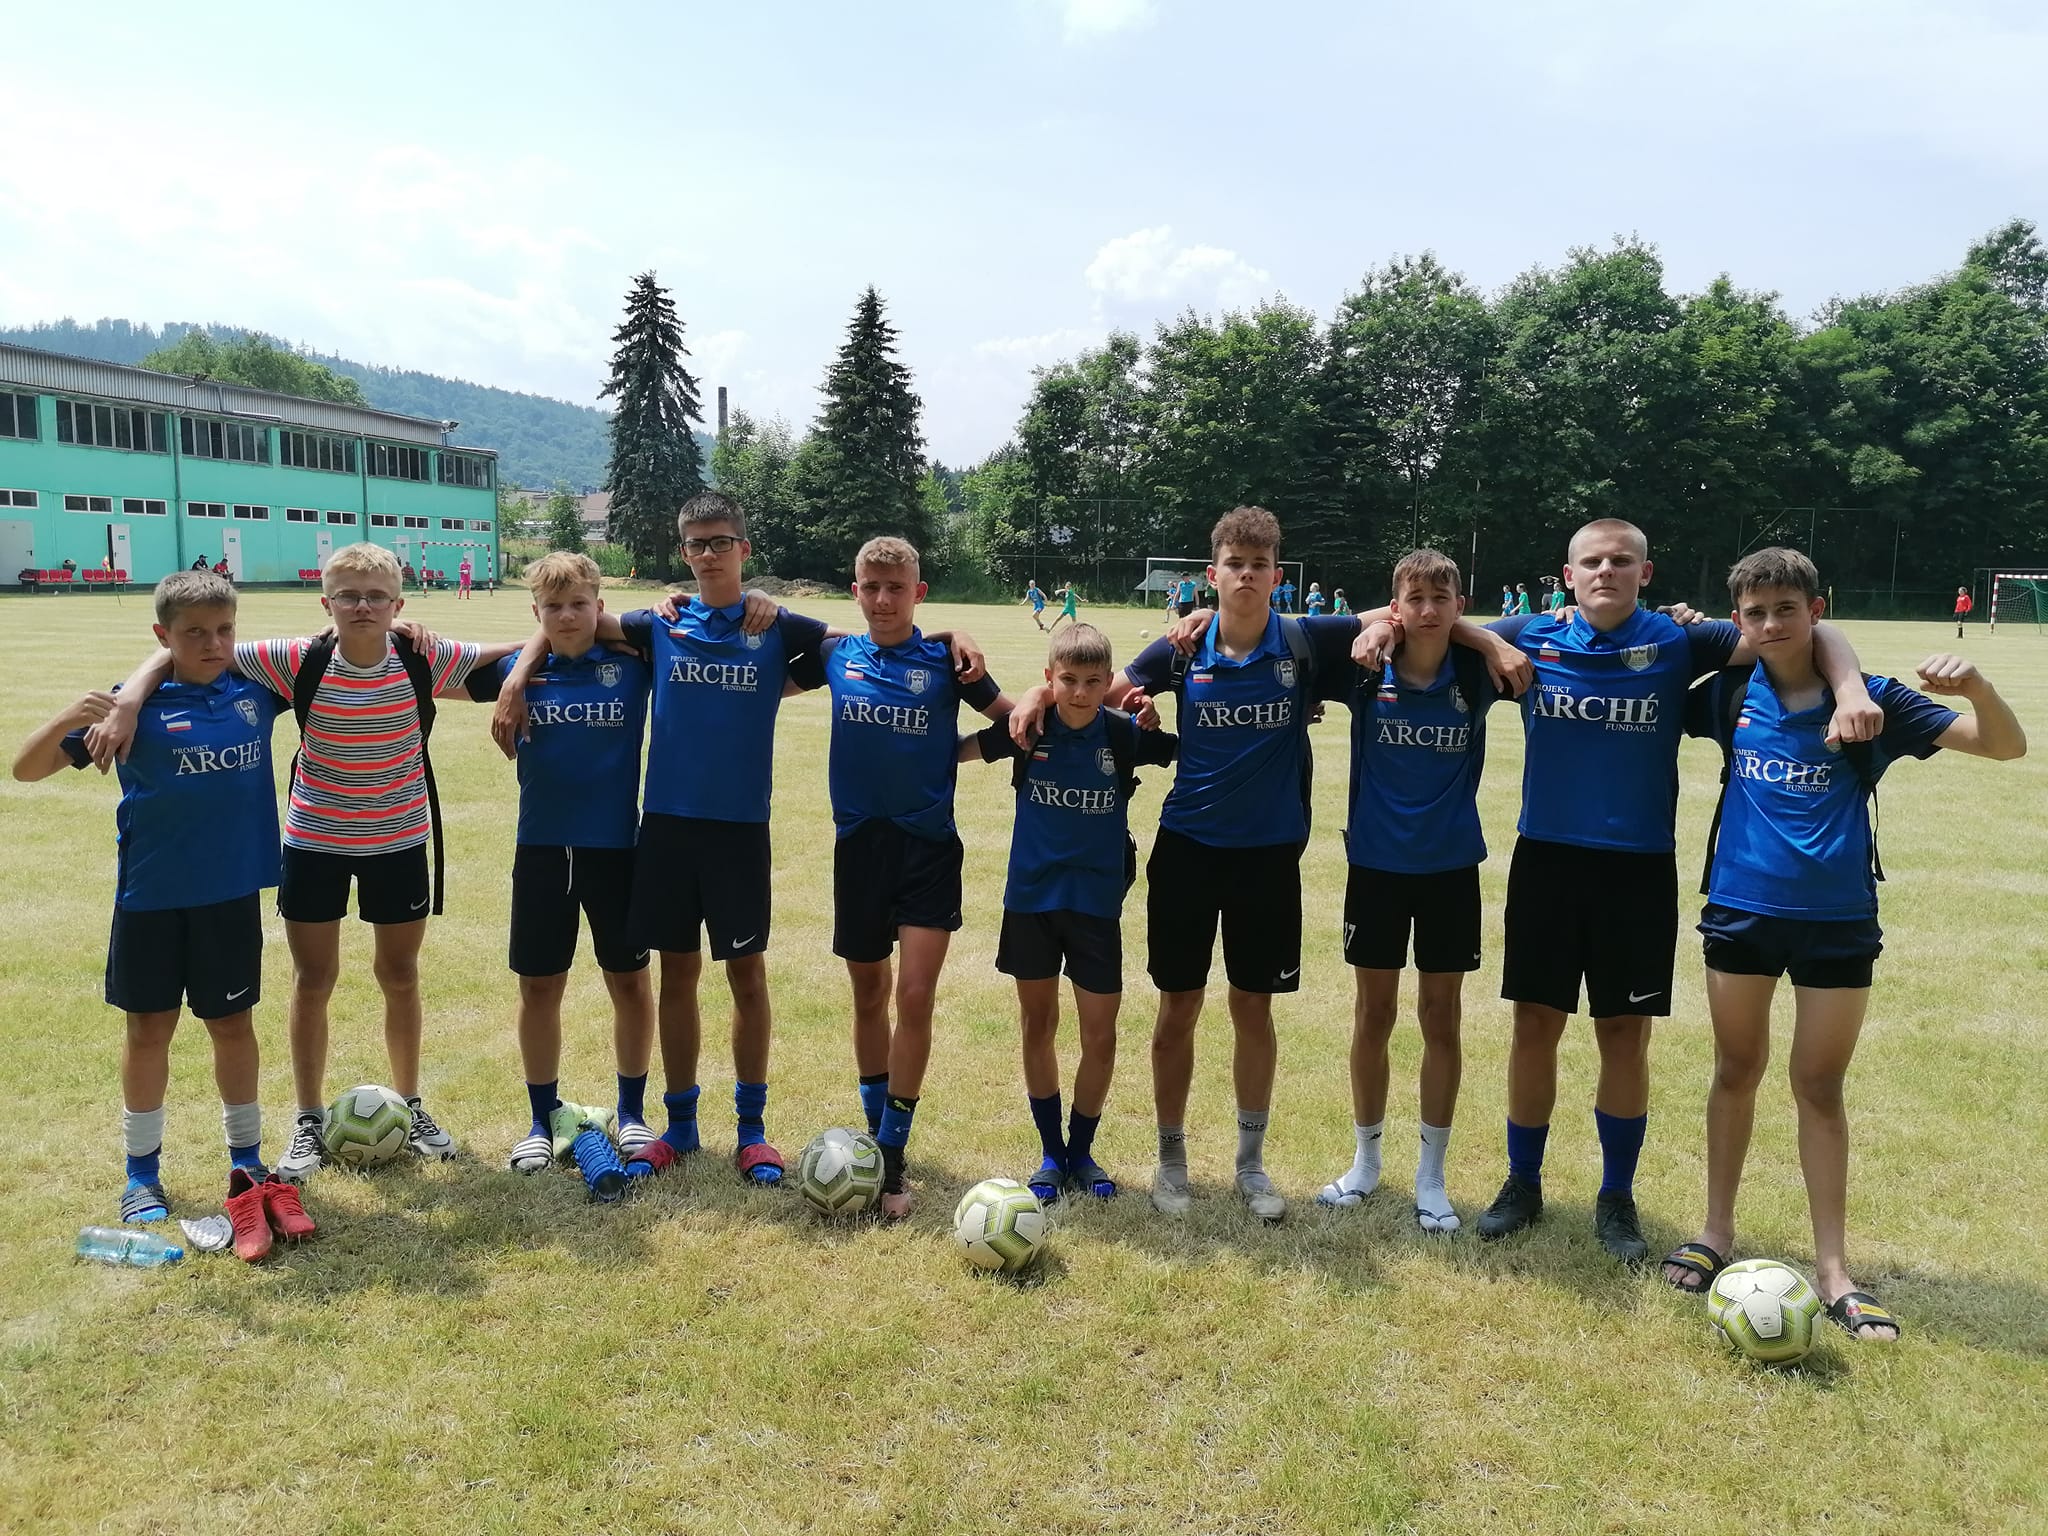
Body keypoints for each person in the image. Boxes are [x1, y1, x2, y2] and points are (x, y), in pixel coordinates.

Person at [1366, 518, 1880, 1264]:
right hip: (1547, 860)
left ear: (1646, 572)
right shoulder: (1533, 634)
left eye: (1620, 560)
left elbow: (1805, 633)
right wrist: (1483, 640)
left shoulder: (1681, 641)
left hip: (1638, 868)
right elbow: (1427, 617)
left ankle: (1616, 1196)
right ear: (1567, 576)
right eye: (1592, 562)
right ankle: (1523, 1181)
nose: (1605, 571)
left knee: (1623, 1034)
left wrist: (1852, 686)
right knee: (1534, 1027)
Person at [1659, 548, 2025, 1340]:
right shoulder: (1727, 692)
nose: (1770, 624)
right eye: (1755, 613)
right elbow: (1643, 689)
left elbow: (2003, 746)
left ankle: (1833, 1269)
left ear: (1816, 611)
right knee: (1735, 1071)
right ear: (1739, 620)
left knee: (1819, 1087)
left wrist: (1977, 689)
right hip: (1740, 912)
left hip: (1837, 922)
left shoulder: (1875, 701)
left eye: (1786, 609)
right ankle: (1715, 1232)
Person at [93, 543, 524, 1182]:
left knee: (400, 974)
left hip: (399, 840)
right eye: (348, 595)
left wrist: (515, 675)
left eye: (376, 596)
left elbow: (517, 646)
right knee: (312, 979)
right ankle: (308, 1119)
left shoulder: (423, 654)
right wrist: (129, 700)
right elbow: (184, 650)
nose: (362, 606)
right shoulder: (296, 657)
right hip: (314, 842)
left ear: (398, 604)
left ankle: (411, 1106)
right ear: (326, 604)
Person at [1011, 507, 1367, 1221]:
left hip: (1269, 856)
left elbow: (1408, 612)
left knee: (1253, 1008)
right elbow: (1098, 690)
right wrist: (1033, 692)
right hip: (1187, 854)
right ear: (1213, 574)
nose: (1247, 576)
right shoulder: (1181, 648)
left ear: (1277, 575)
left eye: (1259, 565)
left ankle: (1251, 1165)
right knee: (1179, 1007)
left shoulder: (1306, 640)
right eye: (1235, 564)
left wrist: (1427, 629)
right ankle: (1171, 1160)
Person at [491, 494, 836, 1183]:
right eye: (697, 543)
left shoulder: (777, 625)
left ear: (744, 547)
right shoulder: (659, 625)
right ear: (683, 551)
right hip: (667, 828)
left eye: (721, 541)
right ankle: (679, 1127)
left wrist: (951, 640)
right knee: (676, 974)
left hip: (741, 827)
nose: (709, 554)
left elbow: (856, 646)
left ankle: (752, 1131)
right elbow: (565, 621)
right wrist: (519, 677)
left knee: (747, 976)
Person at [12, 571, 312, 1254]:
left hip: (229, 896)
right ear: (163, 636)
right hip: (150, 897)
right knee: (149, 1030)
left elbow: (332, 646)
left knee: (232, 1025)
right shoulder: (132, 708)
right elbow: (26, 769)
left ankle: (247, 1161)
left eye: (224, 630)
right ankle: (142, 1174)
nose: (213, 644)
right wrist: (80, 712)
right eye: (193, 633)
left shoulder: (256, 691)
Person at [1318, 550, 1509, 1233]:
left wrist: (1484, 638)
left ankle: (1431, 1176)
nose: (1428, 610)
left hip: (1450, 869)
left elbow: (1541, 629)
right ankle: (1366, 1163)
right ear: (1396, 606)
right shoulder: (1364, 667)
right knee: (1373, 1016)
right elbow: (1292, 630)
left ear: (1461, 604)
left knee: (1441, 1018)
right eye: (1414, 599)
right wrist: (1377, 626)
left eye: (1441, 598)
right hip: (1375, 866)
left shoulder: (1477, 672)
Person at [823, 536, 1011, 1218]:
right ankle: (874, 1135)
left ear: (918, 593)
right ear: (855, 591)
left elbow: (1015, 722)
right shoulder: (834, 653)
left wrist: (955, 753)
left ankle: (893, 1156)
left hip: (927, 851)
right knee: (869, 994)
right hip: (859, 850)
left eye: (895, 588)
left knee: (915, 994)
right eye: (870, 587)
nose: (882, 600)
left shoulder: (947, 662)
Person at [964, 623, 1176, 1203]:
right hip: (1031, 901)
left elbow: (1197, 750)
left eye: (1092, 681)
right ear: (1049, 679)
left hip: (1096, 907)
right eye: (1068, 680)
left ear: (1109, 682)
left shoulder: (1123, 734)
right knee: (1038, 1025)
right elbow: (958, 750)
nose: (1080, 692)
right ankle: (1050, 1153)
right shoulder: (1028, 728)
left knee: (1100, 1036)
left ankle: (1081, 1151)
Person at [465, 552, 658, 1173]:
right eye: (554, 607)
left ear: (600, 607)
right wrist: (520, 669)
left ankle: (632, 1112)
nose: (568, 615)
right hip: (542, 850)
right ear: (536, 613)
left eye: (580, 604)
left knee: (628, 980)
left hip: (617, 850)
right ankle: (540, 1117)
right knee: (540, 985)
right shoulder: (512, 675)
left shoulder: (634, 664)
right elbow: (432, 667)